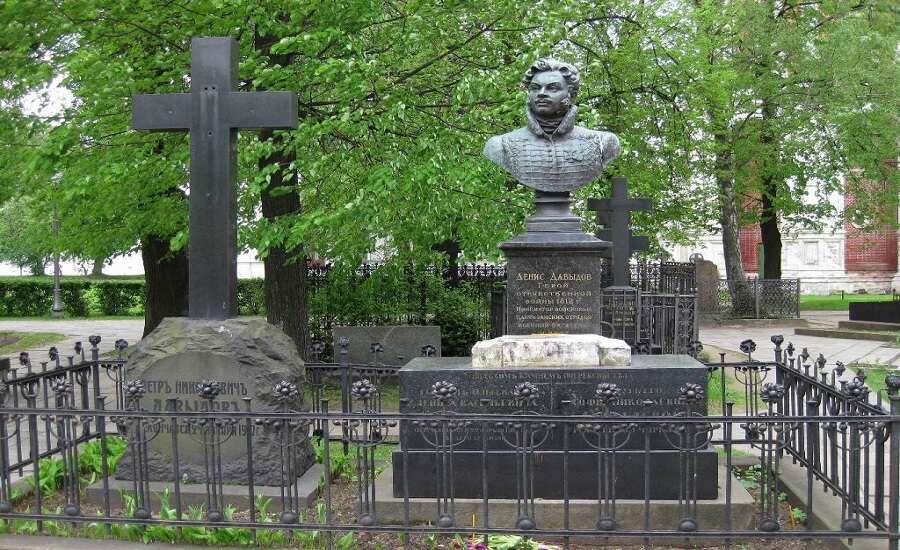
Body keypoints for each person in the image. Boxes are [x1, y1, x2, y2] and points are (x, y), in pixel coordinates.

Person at [484, 58, 620, 193]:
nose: (541, 93)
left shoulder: (603, 143)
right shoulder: (500, 145)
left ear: (570, 94)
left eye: (552, 88)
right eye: (535, 88)